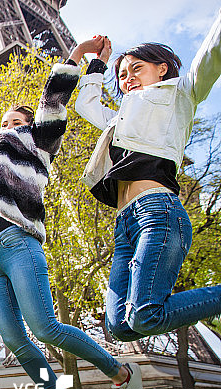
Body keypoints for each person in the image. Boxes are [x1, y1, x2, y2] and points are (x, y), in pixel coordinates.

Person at [0, 48, 144, 389]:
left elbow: (53, 101)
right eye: (2, 123)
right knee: (18, 342)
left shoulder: (36, 142)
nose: (7, 127)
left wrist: (80, 58)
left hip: (19, 243)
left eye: (15, 122)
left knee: (46, 328)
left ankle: (120, 372)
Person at [73, 11, 221, 345]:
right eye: (122, 75)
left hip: (158, 212)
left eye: (136, 68)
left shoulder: (180, 93)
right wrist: (96, 61)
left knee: (145, 314)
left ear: (162, 68)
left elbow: (212, 52)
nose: (127, 79)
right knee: (120, 326)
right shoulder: (120, 121)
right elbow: (86, 104)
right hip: (124, 223)